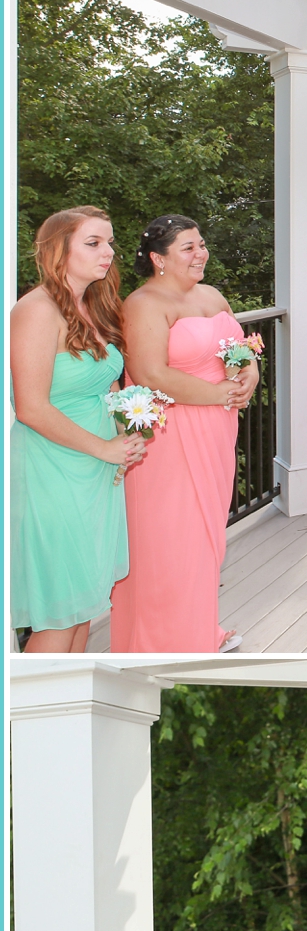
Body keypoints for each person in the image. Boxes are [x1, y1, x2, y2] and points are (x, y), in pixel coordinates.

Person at [111, 215, 256, 653]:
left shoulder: (212, 295)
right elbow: (150, 372)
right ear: (159, 258)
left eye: (202, 245)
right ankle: (162, 640)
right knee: (171, 537)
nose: (201, 254)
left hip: (217, 427)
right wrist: (217, 394)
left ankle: (196, 627)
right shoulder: (143, 304)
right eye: (188, 248)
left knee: (205, 533)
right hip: (171, 433)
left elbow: (238, 346)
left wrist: (249, 373)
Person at [11, 207, 146, 653]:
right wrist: (104, 448)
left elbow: (104, 386)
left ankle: (61, 716)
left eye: (109, 242)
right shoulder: (35, 310)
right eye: (93, 243)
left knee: (85, 604)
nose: (108, 252)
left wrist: (131, 423)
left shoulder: (93, 306)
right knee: (58, 613)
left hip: (96, 473)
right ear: (57, 252)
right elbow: (31, 407)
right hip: (55, 468)